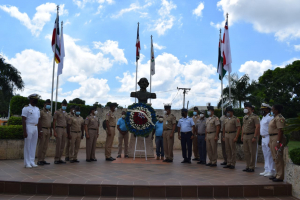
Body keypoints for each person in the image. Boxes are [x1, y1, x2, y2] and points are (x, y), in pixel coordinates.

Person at [22, 94, 41, 168]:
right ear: (31, 100)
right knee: (27, 145)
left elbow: (38, 120)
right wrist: (24, 131)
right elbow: (23, 120)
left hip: (35, 127)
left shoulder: (37, 109)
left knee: (33, 145)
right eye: (34, 99)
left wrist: (40, 131)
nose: (36, 100)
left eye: (36, 99)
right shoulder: (26, 108)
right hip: (29, 126)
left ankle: (32, 161)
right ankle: (27, 162)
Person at [268, 104, 286, 182]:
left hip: (276, 138)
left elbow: (280, 130)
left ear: (276, 111)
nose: (271, 111)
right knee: (275, 157)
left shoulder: (280, 118)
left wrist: (278, 142)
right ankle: (277, 174)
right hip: (272, 138)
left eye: (272, 109)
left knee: (278, 157)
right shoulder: (274, 118)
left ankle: (280, 176)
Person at [241, 102, 260, 172]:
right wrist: (242, 135)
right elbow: (243, 127)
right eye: (245, 108)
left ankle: (252, 167)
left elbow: (257, 127)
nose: (245, 109)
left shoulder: (255, 117)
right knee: (246, 152)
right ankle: (247, 166)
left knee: (252, 152)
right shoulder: (244, 117)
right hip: (245, 135)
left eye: (246, 108)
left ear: (250, 108)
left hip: (251, 135)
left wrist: (255, 137)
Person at [259, 103, 275, 177]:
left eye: (264, 109)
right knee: (265, 154)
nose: (262, 111)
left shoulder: (270, 117)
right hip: (263, 137)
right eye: (262, 109)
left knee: (269, 154)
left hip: (268, 137)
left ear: (267, 110)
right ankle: (266, 169)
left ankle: (271, 170)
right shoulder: (263, 117)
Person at [37, 99, 52, 166]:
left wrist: (51, 130)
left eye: (49, 104)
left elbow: (50, 122)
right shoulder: (41, 112)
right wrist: (40, 130)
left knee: (45, 146)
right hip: (43, 129)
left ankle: (43, 159)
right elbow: (39, 121)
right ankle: (39, 160)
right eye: (47, 104)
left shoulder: (50, 112)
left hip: (48, 130)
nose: (48, 105)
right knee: (41, 145)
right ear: (44, 104)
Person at [53, 99, 68, 164]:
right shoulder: (57, 112)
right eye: (63, 104)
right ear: (61, 105)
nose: (64, 106)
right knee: (58, 144)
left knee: (63, 144)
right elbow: (54, 122)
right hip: (59, 128)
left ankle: (60, 158)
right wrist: (54, 131)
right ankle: (56, 159)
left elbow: (67, 122)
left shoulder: (66, 113)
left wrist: (67, 131)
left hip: (64, 129)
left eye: (65, 105)